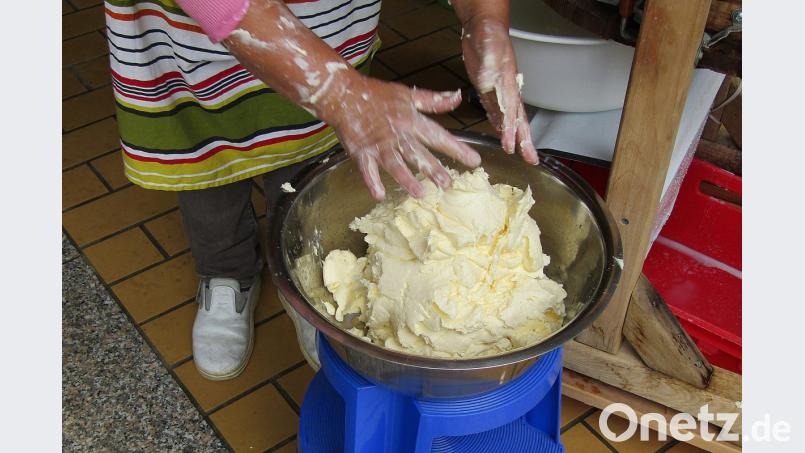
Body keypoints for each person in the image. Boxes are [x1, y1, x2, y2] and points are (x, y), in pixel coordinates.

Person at [105, 0, 537, 380]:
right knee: (207, 175)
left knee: (305, 171)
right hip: (191, 50)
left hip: (326, 29)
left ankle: (303, 287)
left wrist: (484, 17)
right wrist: (336, 90)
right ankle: (225, 272)